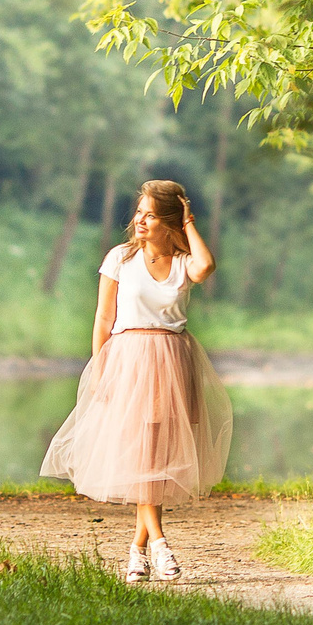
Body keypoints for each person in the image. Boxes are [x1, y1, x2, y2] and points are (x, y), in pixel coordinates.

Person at [41, 180, 234, 581]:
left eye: (151, 215)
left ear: (170, 222)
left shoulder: (182, 262)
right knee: (143, 457)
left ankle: (137, 552)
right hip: (129, 360)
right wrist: (100, 369)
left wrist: (189, 223)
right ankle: (160, 545)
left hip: (173, 361)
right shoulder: (120, 258)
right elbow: (103, 318)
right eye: (139, 212)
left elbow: (205, 266)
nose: (140, 220)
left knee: (157, 460)